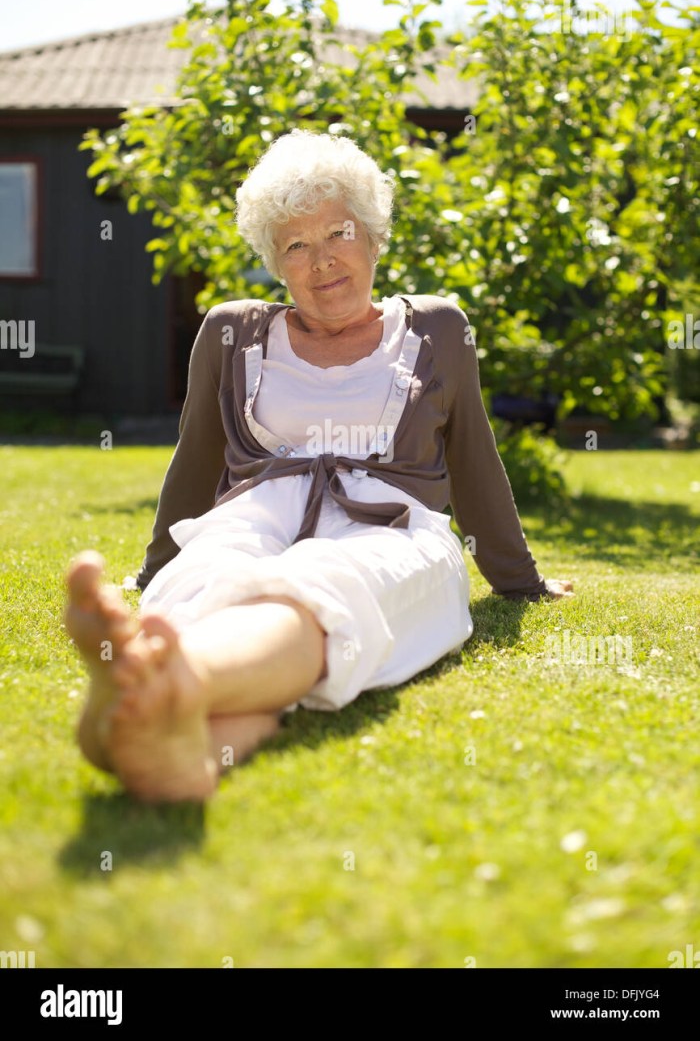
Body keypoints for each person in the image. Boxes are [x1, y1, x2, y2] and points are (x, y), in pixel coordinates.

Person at [65, 130, 573, 803]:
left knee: (329, 584)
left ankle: (166, 683)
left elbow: (474, 459)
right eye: (296, 246)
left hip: (390, 527)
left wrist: (520, 582)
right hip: (258, 513)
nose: (323, 260)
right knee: (211, 572)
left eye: (338, 233)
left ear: (374, 236)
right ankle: (186, 750)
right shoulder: (232, 331)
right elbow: (195, 461)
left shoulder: (438, 329)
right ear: (275, 263)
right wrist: (156, 568)